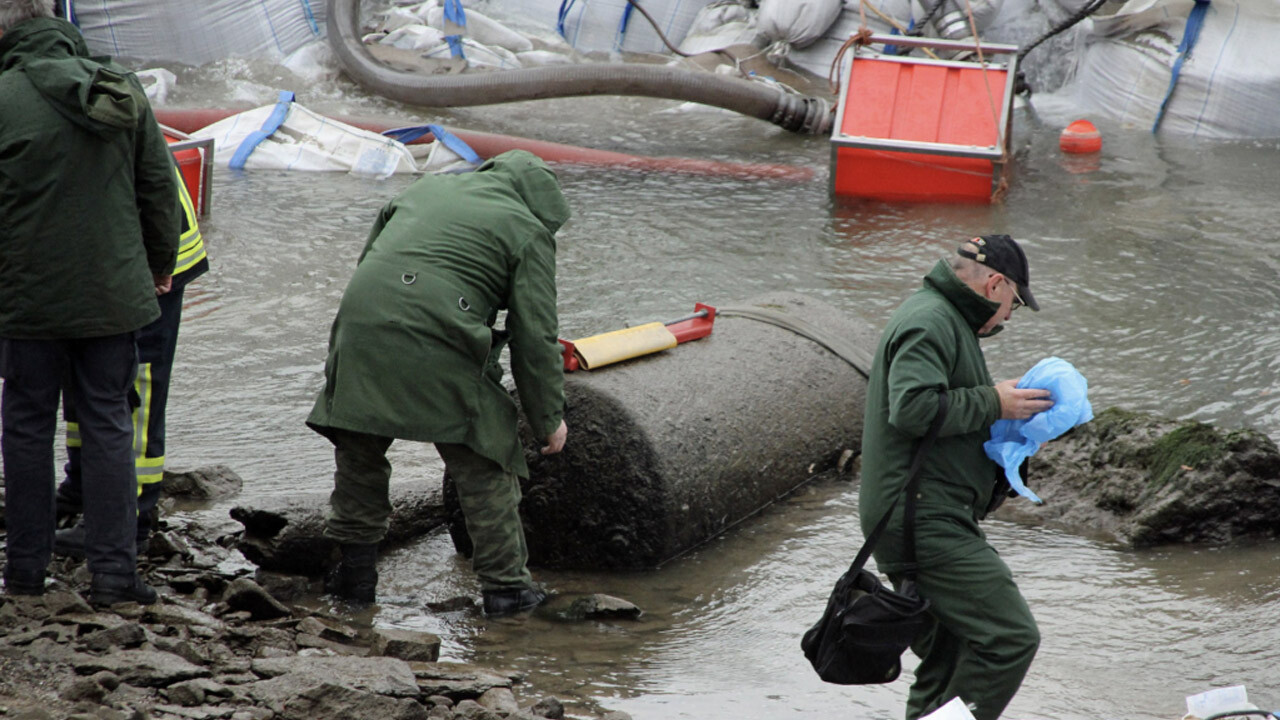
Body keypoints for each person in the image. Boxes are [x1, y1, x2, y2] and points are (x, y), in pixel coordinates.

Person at [306, 149, 570, 617]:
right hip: (441, 331)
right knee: (485, 459)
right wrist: (547, 418)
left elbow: (371, 265)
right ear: (543, 207)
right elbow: (536, 336)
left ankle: (355, 581)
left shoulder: (424, 188)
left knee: (360, 453)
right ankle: (507, 590)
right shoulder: (527, 230)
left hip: (361, 326)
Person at [0, 0, 180, 604]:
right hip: (111, 294)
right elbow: (158, 186)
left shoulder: (3, 96)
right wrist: (158, 267)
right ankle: (114, 575)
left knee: (26, 425)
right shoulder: (119, 90)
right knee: (107, 421)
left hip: (26, 299)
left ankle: (24, 572)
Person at [858, 234, 1054, 720]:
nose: (1009, 316)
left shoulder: (944, 317)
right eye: (1013, 302)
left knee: (950, 658)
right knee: (1010, 637)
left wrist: (994, 397)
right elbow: (913, 409)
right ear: (995, 284)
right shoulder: (931, 320)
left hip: (920, 511)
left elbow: (933, 399)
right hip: (923, 517)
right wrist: (994, 402)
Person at [53, 173, 209, 559]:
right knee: (82, 370)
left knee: (137, 380)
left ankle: (133, 515)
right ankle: (83, 488)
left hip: (152, 253)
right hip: (106, 252)